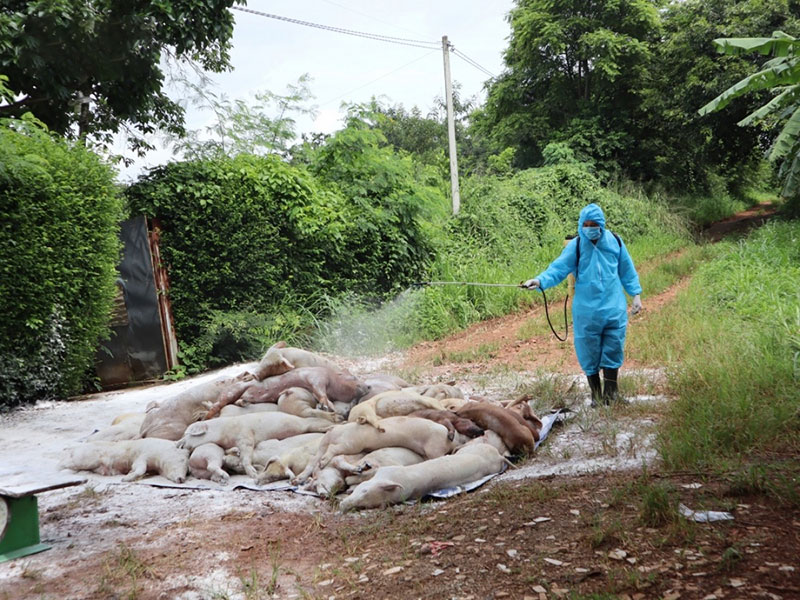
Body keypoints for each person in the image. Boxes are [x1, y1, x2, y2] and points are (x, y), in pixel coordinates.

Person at [522, 203, 642, 406]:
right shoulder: (576, 246)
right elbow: (558, 269)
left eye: (594, 224)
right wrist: (540, 281)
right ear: (580, 225)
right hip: (587, 311)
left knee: (613, 347)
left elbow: (627, 270)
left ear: (601, 224)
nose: (590, 228)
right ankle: (596, 396)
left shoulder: (615, 242)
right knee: (589, 350)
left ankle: (611, 395)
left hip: (614, 307)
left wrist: (636, 295)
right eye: (585, 224)